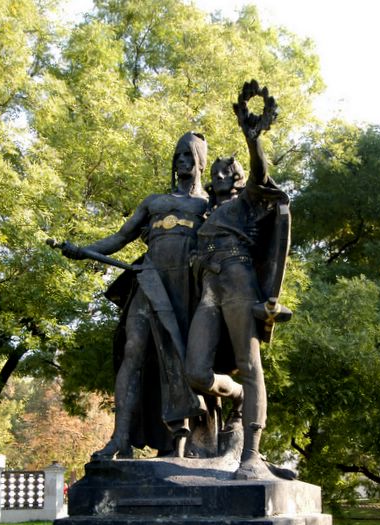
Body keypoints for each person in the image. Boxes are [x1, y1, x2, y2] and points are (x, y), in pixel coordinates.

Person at [60, 132, 209, 459]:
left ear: (200, 160)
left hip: (186, 288)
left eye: (188, 155)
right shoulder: (154, 202)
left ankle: (179, 443)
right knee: (133, 350)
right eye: (177, 156)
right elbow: (121, 236)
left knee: (180, 357)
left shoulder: (208, 206)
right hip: (150, 279)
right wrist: (85, 250)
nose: (181, 161)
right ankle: (120, 438)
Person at [185, 80, 291, 479]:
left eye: (231, 170)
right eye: (217, 170)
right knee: (195, 372)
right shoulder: (203, 212)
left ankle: (251, 453)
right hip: (207, 289)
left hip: (237, 282)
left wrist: (253, 139)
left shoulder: (246, 204)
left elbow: (264, 177)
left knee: (250, 363)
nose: (222, 172)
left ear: (239, 178)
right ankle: (240, 394)